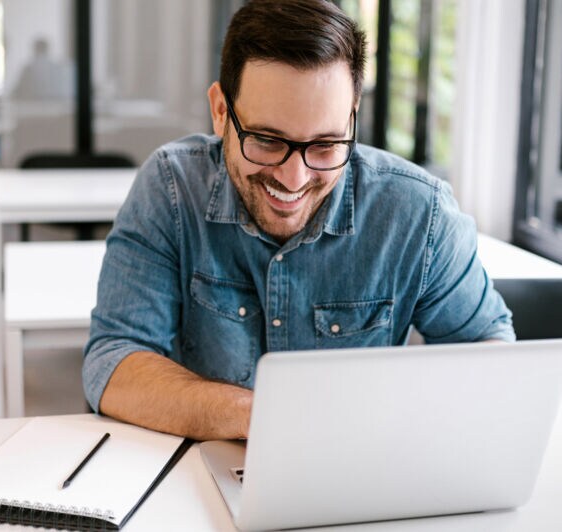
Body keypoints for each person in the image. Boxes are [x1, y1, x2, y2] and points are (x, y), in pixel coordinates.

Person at [82, 0, 513, 441]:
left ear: (352, 120)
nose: (295, 178)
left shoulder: (421, 212)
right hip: (204, 479)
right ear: (219, 112)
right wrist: (267, 418)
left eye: (326, 145)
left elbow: (490, 352)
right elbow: (113, 361)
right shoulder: (171, 188)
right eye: (267, 140)